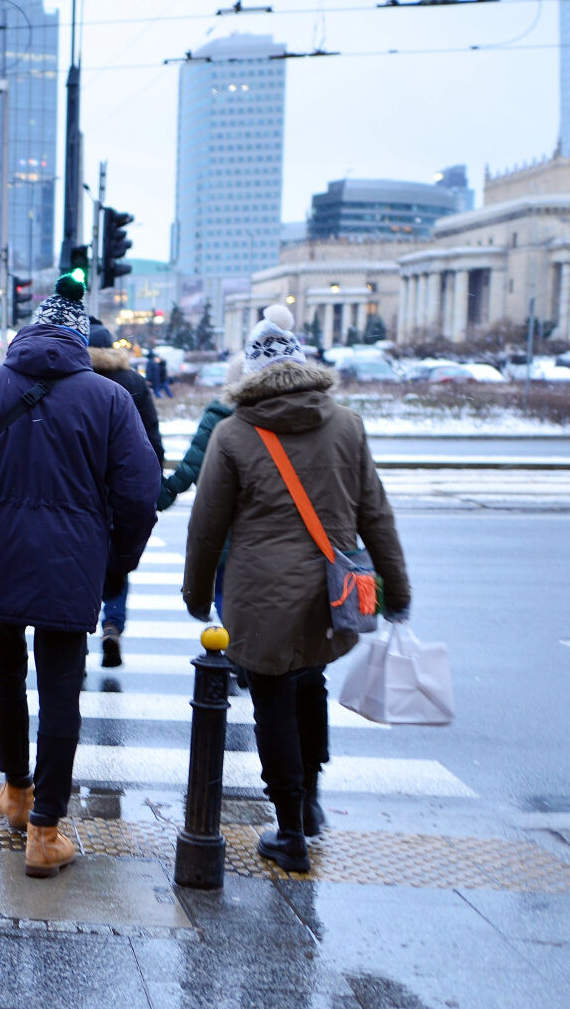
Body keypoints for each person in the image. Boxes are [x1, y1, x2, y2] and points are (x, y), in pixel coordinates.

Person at [0, 279, 159, 879]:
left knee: (5, 674)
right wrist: (117, 562)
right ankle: (46, 833)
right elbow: (140, 494)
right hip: (72, 562)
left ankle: (17, 793)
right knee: (60, 690)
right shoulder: (109, 399)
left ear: (28, 334)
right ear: (78, 340)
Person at [182, 307, 410, 874]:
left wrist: (195, 593)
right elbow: (375, 513)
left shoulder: (235, 433)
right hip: (333, 592)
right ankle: (310, 801)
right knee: (311, 683)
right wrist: (396, 589)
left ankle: (289, 830)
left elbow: (207, 525)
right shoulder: (346, 425)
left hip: (261, 595)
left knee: (273, 703)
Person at [87, 322, 167, 669]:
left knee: (79, 561)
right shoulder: (132, 383)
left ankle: (78, 629)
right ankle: (112, 625)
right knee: (118, 560)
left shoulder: (72, 382)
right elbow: (152, 442)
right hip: (122, 489)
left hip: (83, 489)